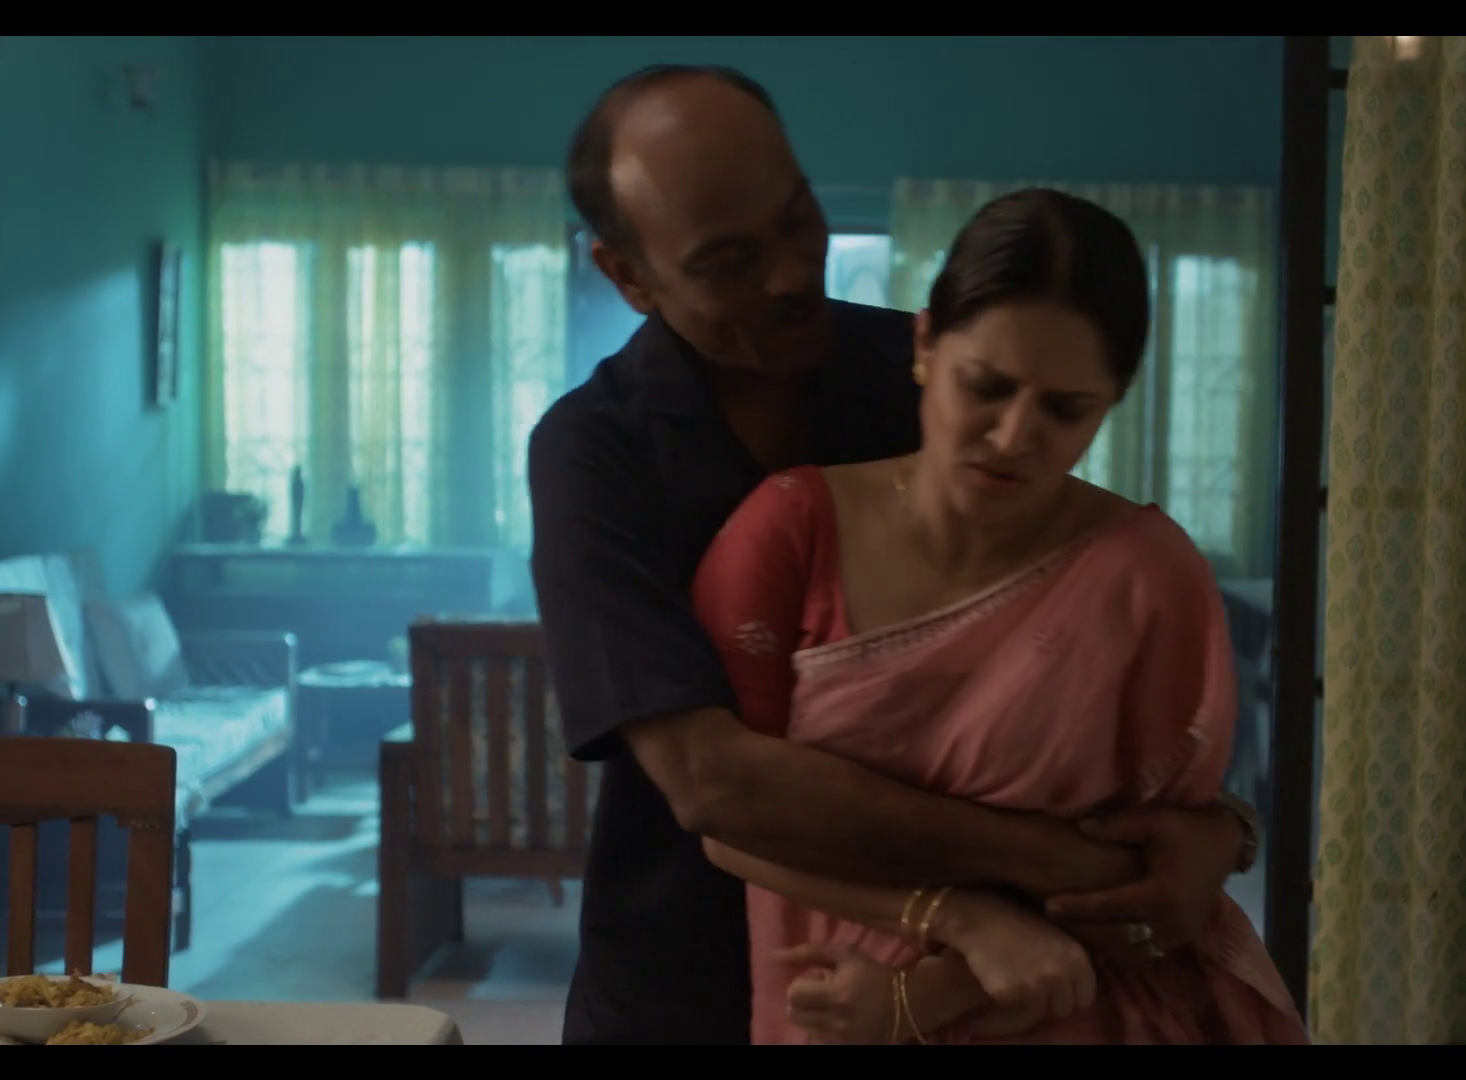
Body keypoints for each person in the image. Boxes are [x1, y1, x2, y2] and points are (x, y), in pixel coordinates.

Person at [529, 63, 1262, 1046]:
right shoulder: (595, 453)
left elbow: (1064, 695)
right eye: (728, 262)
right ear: (629, 275)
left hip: (998, 994)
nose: (789, 275)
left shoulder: (943, 378)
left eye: (797, 219)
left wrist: (1219, 831)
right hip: (688, 976)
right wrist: (1037, 874)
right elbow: (713, 783)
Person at [689, 188, 1307, 1045]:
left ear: (1115, 398)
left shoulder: (1144, 578)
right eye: (987, 387)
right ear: (924, 346)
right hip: (838, 1007)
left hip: (1081, 1010)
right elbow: (727, 817)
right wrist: (952, 919)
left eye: (1065, 409)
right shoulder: (790, 533)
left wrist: (929, 995)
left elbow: (1151, 882)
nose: (1015, 436)